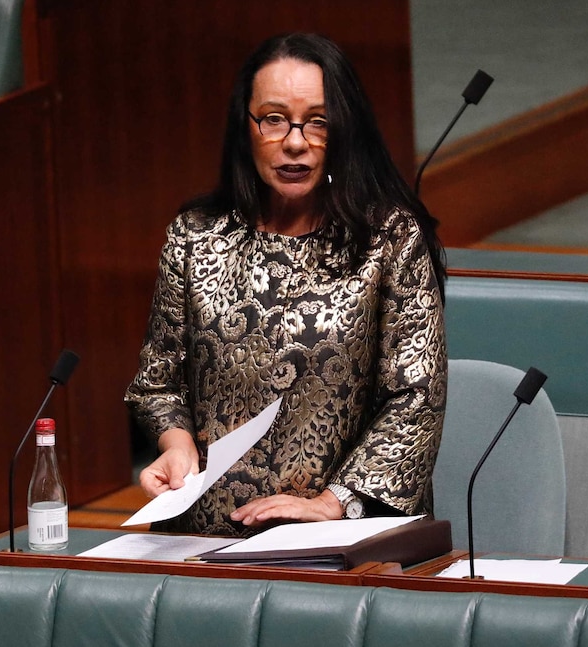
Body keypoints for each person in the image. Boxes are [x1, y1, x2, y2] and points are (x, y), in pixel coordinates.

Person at [125, 32, 447, 537]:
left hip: (334, 540)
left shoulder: (389, 240)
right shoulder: (195, 235)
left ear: (344, 131)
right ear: (246, 127)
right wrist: (175, 443)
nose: (295, 141)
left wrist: (332, 503)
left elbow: (416, 396)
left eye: (317, 122)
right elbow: (158, 383)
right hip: (203, 537)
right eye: (274, 119)